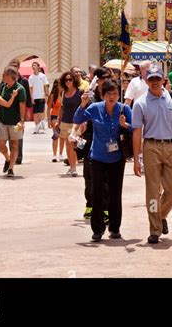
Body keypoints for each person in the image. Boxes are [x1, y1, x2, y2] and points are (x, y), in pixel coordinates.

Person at [132, 65, 172, 244]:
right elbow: (136, 132)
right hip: (151, 147)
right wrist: (136, 159)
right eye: (151, 79)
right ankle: (155, 229)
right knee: (152, 191)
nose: (155, 82)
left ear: (163, 79)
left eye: (158, 78)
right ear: (146, 80)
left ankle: (161, 214)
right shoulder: (140, 103)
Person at [73, 79, 132, 241]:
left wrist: (125, 124)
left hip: (117, 158)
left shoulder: (124, 109)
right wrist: (83, 104)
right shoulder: (95, 108)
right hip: (97, 157)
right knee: (96, 193)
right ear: (103, 95)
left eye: (115, 94)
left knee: (115, 193)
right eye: (108, 94)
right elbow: (77, 119)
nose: (112, 97)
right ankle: (97, 229)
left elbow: (136, 127)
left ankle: (114, 228)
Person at [78, 67, 111, 220]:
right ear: (96, 80)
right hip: (90, 137)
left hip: (107, 139)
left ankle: (105, 208)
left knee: (106, 176)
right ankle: (90, 205)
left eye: (108, 78)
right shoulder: (90, 97)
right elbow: (80, 116)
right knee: (89, 174)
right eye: (102, 78)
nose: (105, 81)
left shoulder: (113, 94)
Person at [0, 66, 26, 177]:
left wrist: (22, 121)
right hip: (3, 121)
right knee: (0, 144)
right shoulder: (3, 86)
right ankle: (7, 159)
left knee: (14, 145)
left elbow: (22, 105)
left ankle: (11, 168)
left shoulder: (20, 89)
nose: (2, 76)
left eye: (4, 75)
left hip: (15, 122)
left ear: (9, 76)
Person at [55, 69, 83, 176]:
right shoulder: (63, 93)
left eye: (70, 79)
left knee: (74, 144)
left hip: (76, 122)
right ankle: (72, 167)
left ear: (74, 80)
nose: (68, 82)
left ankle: (74, 166)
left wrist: (83, 121)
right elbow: (62, 108)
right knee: (68, 145)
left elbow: (83, 107)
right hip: (65, 122)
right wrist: (58, 120)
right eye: (66, 80)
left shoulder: (80, 92)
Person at [7, 58, 32, 165]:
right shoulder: (6, 81)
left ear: (18, 67)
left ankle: (18, 157)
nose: (13, 67)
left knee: (18, 135)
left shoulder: (24, 81)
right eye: (11, 65)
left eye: (15, 65)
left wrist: (28, 111)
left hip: (19, 113)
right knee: (9, 136)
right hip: (8, 112)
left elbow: (28, 98)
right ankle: (12, 155)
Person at [28, 61, 49, 134]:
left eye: (35, 65)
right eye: (32, 65)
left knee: (41, 111)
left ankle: (43, 122)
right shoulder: (30, 77)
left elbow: (46, 85)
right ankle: (36, 127)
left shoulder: (42, 76)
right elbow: (30, 88)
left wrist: (46, 95)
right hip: (34, 97)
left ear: (38, 67)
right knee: (35, 113)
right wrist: (31, 97)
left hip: (41, 96)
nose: (33, 67)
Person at [47, 79, 63, 162]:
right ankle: (54, 154)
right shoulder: (53, 95)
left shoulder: (64, 94)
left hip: (62, 116)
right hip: (54, 116)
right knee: (56, 135)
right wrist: (49, 120)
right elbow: (49, 108)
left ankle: (60, 154)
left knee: (62, 136)